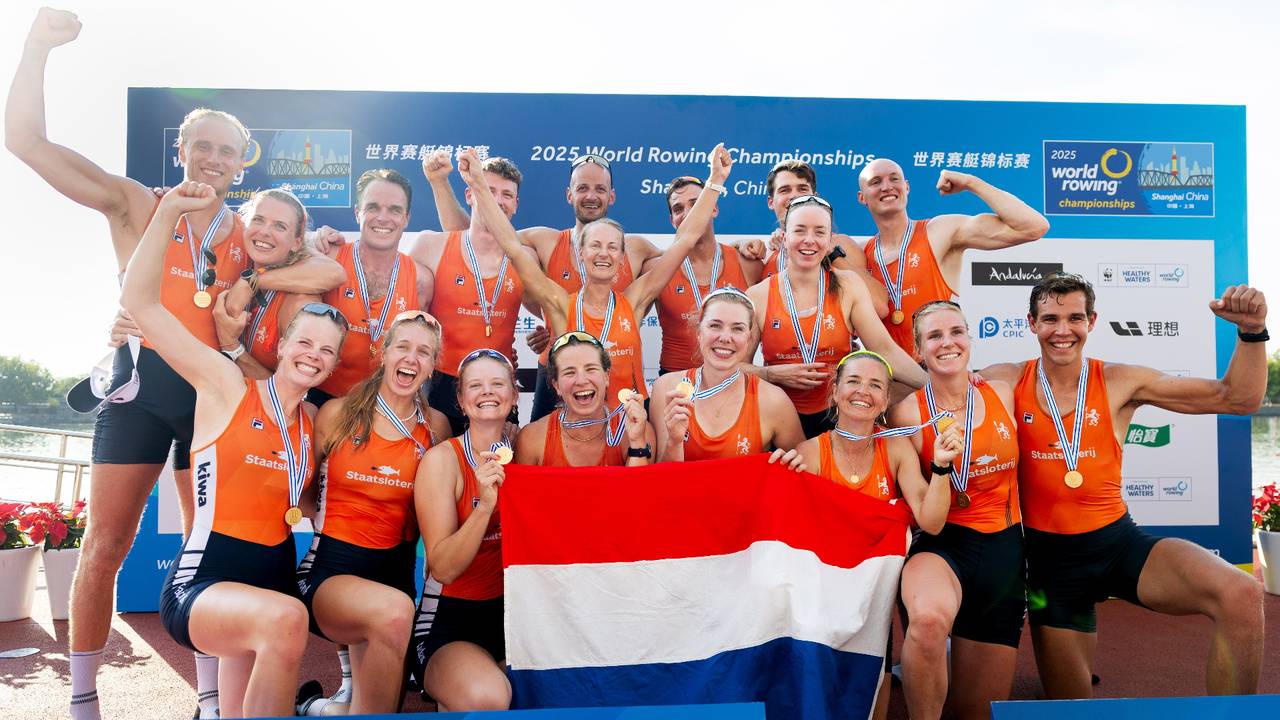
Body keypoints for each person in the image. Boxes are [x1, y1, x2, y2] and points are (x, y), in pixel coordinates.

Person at [6, 12, 340, 717]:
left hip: (210, 396)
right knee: (104, 545)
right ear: (181, 148)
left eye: (227, 151)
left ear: (242, 163)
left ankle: (211, 701)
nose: (213, 159)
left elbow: (324, 271)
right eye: (202, 146)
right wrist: (36, 48)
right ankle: (84, 702)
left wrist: (254, 282)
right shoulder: (137, 203)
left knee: (205, 545)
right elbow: (25, 142)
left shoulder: (250, 233)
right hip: (141, 388)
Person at [979, 274, 1267, 698]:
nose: (1063, 330)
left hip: (1116, 546)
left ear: (1092, 321)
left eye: (1075, 318)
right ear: (1031, 323)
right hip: (1049, 570)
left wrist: (1252, 332)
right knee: (1071, 707)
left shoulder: (1118, 381)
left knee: (1242, 594)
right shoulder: (1005, 380)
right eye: (1050, 319)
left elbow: (1238, 398)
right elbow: (934, 390)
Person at [121, 181, 348, 718]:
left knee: (241, 702)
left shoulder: (310, 423)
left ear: (333, 365)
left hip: (271, 576)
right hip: (204, 582)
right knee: (286, 620)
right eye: (304, 342)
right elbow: (140, 302)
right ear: (282, 344)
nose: (312, 355)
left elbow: (310, 503)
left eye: (326, 351)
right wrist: (168, 213)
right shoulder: (225, 385)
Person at [465, 144, 732, 402]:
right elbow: (510, 245)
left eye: (612, 247)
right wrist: (478, 184)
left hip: (626, 418)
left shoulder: (633, 301)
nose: (604, 253)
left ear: (621, 257)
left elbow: (685, 240)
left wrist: (715, 180)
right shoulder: (561, 305)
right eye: (595, 246)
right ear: (581, 253)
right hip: (575, 408)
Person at [422, 149, 664, 422]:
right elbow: (482, 236)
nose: (591, 196)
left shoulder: (636, 250)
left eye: (600, 189)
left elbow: (682, 263)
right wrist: (441, 184)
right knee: (544, 446)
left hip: (618, 373)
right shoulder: (544, 242)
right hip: (555, 370)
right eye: (582, 188)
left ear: (612, 196)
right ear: (569, 195)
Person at [294, 311, 451, 715]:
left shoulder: (436, 428)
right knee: (394, 615)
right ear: (383, 351)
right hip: (329, 574)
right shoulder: (337, 414)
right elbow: (304, 493)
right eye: (403, 347)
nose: (411, 358)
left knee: (373, 706)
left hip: (396, 580)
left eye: (424, 352)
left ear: (434, 365)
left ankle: (314, 708)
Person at [795, 350, 958, 720]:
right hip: (825, 589)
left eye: (875, 386)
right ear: (835, 392)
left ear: (885, 401)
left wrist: (941, 468)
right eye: (853, 381)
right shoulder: (810, 453)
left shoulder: (896, 448)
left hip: (874, 591)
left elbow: (931, 522)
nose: (863, 392)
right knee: (822, 681)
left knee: (872, 679)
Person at [887, 301, 1024, 720]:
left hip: (1002, 550)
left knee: (974, 712)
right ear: (918, 350)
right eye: (934, 336)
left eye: (956, 332)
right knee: (927, 624)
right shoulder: (907, 413)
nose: (947, 343)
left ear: (969, 338)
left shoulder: (1002, 392)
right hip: (941, 544)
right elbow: (914, 501)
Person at [746, 195, 927, 438]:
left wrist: (935, 386)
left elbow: (885, 350)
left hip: (839, 414)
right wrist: (772, 374)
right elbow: (734, 368)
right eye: (800, 230)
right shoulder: (758, 296)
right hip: (778, 417)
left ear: (830, 240)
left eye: (819, 232)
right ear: (785, 237)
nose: (809, 240)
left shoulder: (848, 285)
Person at [408, 349, 518, 711]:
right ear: (460, 399)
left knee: (554, 690)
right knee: (489, 698)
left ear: (514, 395)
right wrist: (484, 507)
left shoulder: (526, 449)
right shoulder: (443, 461)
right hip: (450, 621)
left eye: (497, 384)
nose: (487, 392)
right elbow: (443, 568)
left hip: (514, 618)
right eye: (475, 385)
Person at [857, 158, 1050, 354]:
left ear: (906, 187)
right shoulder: (859, 255)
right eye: (875, 182)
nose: (887, 187)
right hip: (887, 370)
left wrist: (970, 182)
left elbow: (1034, 227)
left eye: (894, 179)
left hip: (941, 365)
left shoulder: (939, 232)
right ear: (862, 197)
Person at [411, 158, 534, 435]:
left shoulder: (526, 257)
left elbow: (553, 307)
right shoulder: (431, 246)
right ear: (470, 194)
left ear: (516, 204)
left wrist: (548, 335)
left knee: (498, 462)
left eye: (507, 194)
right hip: (440, 385)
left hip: (499, 386)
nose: (498, 201)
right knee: (438, 460)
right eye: (488, 191)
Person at [311, 169, 433, 405]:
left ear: (406, 218)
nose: (383, 218)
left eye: (394, 210)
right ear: (358, 213)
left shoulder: (421, 280)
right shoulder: (329, 259)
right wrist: (311, 241)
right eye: (373, 207)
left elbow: (423, 350)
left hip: (386, 405)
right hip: (324, 398)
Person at [653, 287, 804, 463]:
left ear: (749, 339)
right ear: (699, 332)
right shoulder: (667, 388)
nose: (725, 338)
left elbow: (804, 468)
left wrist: (791, 463)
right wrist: (674, 442)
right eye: (715, 326)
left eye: (737, 329)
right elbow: (659, 475)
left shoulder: (773, 401)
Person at [212, 189, 345, 377]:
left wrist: (233, 347)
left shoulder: (299, 302)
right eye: (258, 220)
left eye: (280, 226)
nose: (264, 232)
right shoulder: (238, 254)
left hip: (253, 394)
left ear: (297, 242)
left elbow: (291, 385)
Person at [654, 171, 763, 374]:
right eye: (678, 209)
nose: (689, 213)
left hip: (732, 378)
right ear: (672, 220)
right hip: (676, 381)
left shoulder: (747, 263)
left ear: (713, 208)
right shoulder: (658, 268)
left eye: (696, 204)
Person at [757, 160, 886, 309]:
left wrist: (832, 255)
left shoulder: (840, 244)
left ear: (815, 196)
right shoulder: (763, 256)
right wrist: (739, 243)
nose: (795, 196)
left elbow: (879, 305)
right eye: (785, 190)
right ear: (770, 202)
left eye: (802, 189)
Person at [515, 331, 654, 467]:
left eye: (591, 369)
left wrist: (637, 443)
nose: (581, 381)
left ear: (606, 377)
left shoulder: (638, 430)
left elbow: (640, 483)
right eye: (570, 372)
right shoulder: (532, 438)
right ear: (556, 385)